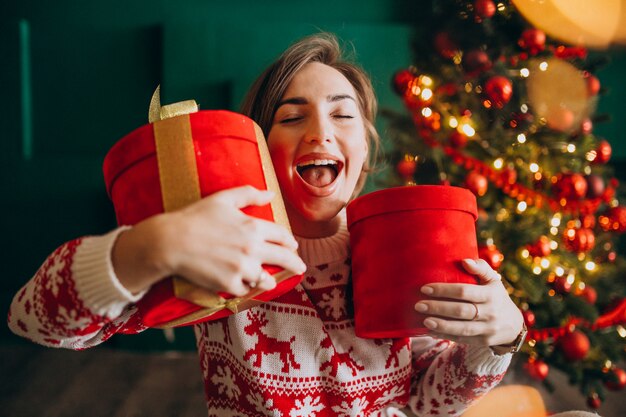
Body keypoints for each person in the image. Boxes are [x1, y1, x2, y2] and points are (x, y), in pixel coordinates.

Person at [9, 33, 526, 417]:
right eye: (292, 117)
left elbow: (427, 399)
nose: (321, 131)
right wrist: (149, 247)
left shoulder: (398, 252)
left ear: (365, 148)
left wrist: (497, 340)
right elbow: (33, 321)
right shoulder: (223, 251)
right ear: (256, 151)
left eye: (343, 116)